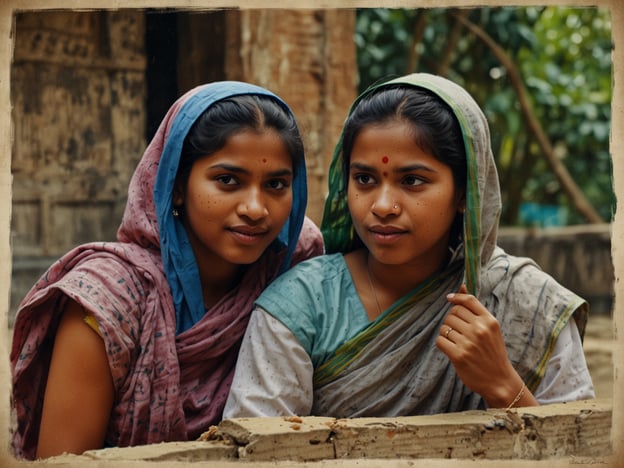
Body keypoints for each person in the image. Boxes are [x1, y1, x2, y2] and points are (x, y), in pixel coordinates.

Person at [223, 73, 595, 419]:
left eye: (413, 180)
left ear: (466, 191)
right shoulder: (302, 305)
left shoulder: (529, 304)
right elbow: (257, 446)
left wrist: (502, 384)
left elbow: (581, 449)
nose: (383, 206)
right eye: (365, 178)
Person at [10, 81, 324, 459]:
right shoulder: (107, 301)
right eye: (228, 181)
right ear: (175, 185)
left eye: (276, 184)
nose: (256, 208)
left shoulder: (294, 262)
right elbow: (65, 462)